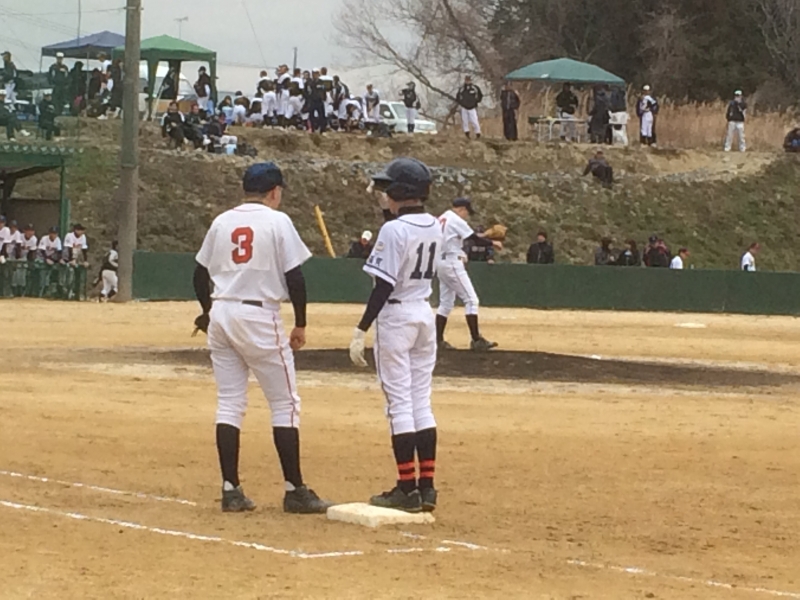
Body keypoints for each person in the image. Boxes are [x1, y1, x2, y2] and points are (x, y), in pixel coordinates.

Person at [192, 162, 332, 514]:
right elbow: (295, 277)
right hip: (258, 314)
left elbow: (198, 273)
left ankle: (231, 489)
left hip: (222, 311)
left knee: (229, 403)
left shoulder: (222, 221)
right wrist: (300, 323)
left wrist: (207, 311)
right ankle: (294, 489)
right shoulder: (277, 221)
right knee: (285, 404)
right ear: (274, 191)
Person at [348, 157, 443, 513]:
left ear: (401, 191)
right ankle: (426, 487)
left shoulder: (393, 230)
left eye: (388, 189)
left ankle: (406, 488)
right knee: (421, 402)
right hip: (423, 312)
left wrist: (361, 327)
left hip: (397, 316)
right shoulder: (435, 224)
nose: (384, 194)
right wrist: (387, 208)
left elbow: (383, 285)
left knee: (399, 405)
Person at [436, 197, 500, 351]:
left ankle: (437, 340)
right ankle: (476, 339)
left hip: (440, 261)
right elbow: (473, 239)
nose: (467, 215)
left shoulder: (442, 217)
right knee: (471, 300)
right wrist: (492, 242)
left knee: (445, 303)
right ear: (462, 209)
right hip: (452, 262)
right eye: (467, 212)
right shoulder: (456, 219)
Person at [48, 52, 70, 116]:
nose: (59, 59)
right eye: (58, 58)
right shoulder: (53, 67)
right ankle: (56, 112)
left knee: (62, 100)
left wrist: (66, 85)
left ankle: (60, 112)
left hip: (63, 87)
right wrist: (52, 84)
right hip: (55, 86)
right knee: (55, 100)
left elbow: (67, 77)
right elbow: (50, 76)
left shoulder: (65, 67)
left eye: (61, 58)